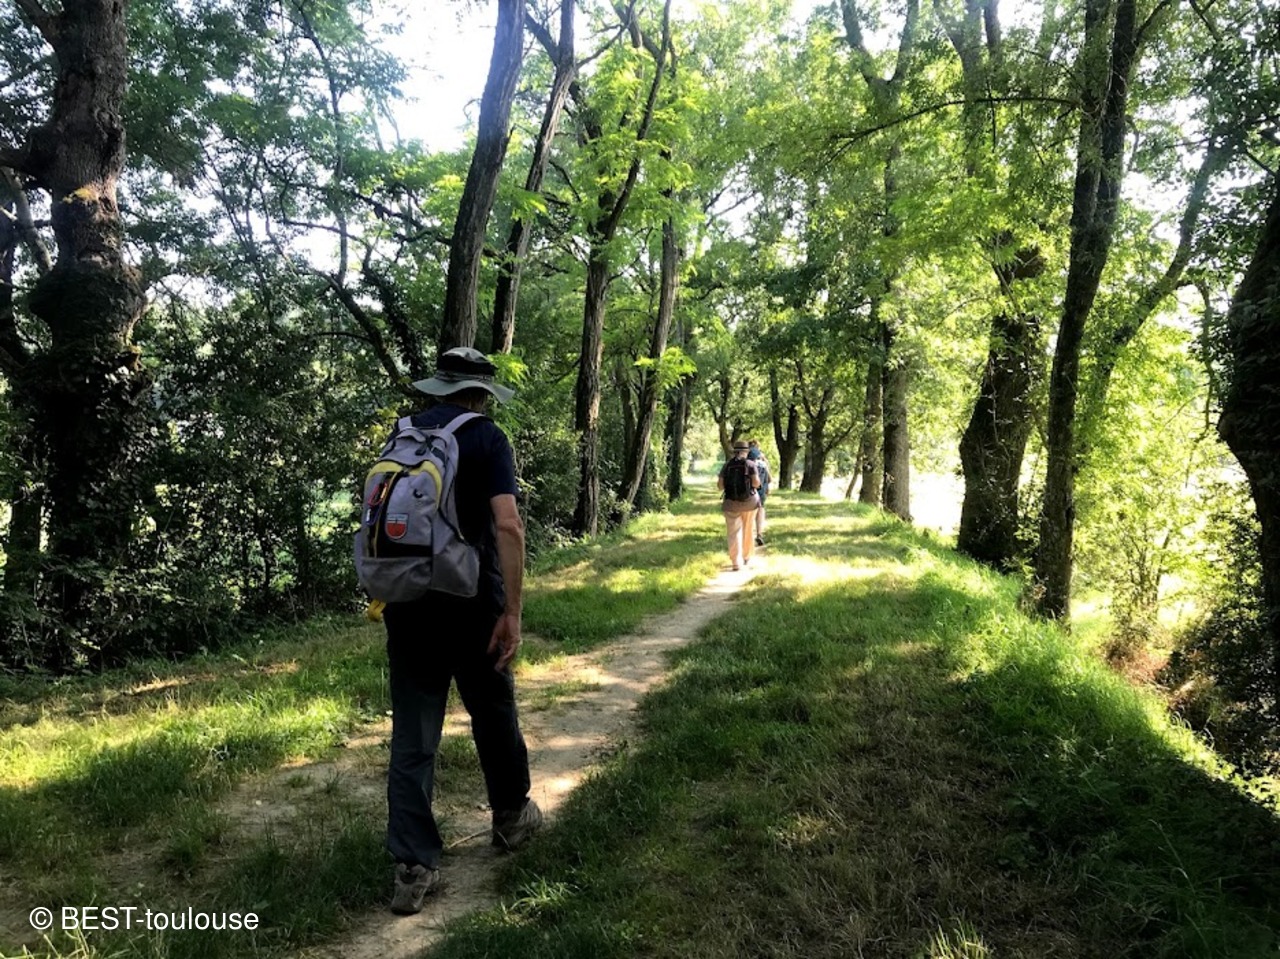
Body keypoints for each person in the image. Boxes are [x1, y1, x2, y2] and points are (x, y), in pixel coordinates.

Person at [381, 347, 541, 916]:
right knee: (492, 710)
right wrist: (512, 612)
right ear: (480, 395)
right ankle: (511, 819)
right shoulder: (487, 438)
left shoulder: (403, 433)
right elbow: (508, 524)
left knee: (414, 732)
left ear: (439, 387)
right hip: (473, 602)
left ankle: (412, 865)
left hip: (407, 601)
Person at [717, 440, 760, 570]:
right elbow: (756, 483)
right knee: (748, 528)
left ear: (734, 452)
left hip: (731, 503)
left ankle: (736, 561)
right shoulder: (750, 464)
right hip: (749, 503)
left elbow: (720, 486)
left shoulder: (727, 465)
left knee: (733, 532)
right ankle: (746, 556)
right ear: (746, 452)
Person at [747, 439, 771, 547]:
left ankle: (747, 535)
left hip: (748, 489)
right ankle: (759, 534)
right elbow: (769, 479)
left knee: (748, 512)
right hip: (761, 490)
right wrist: (767, 487)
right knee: (760, 510)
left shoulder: (746, 458)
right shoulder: (763, 460)